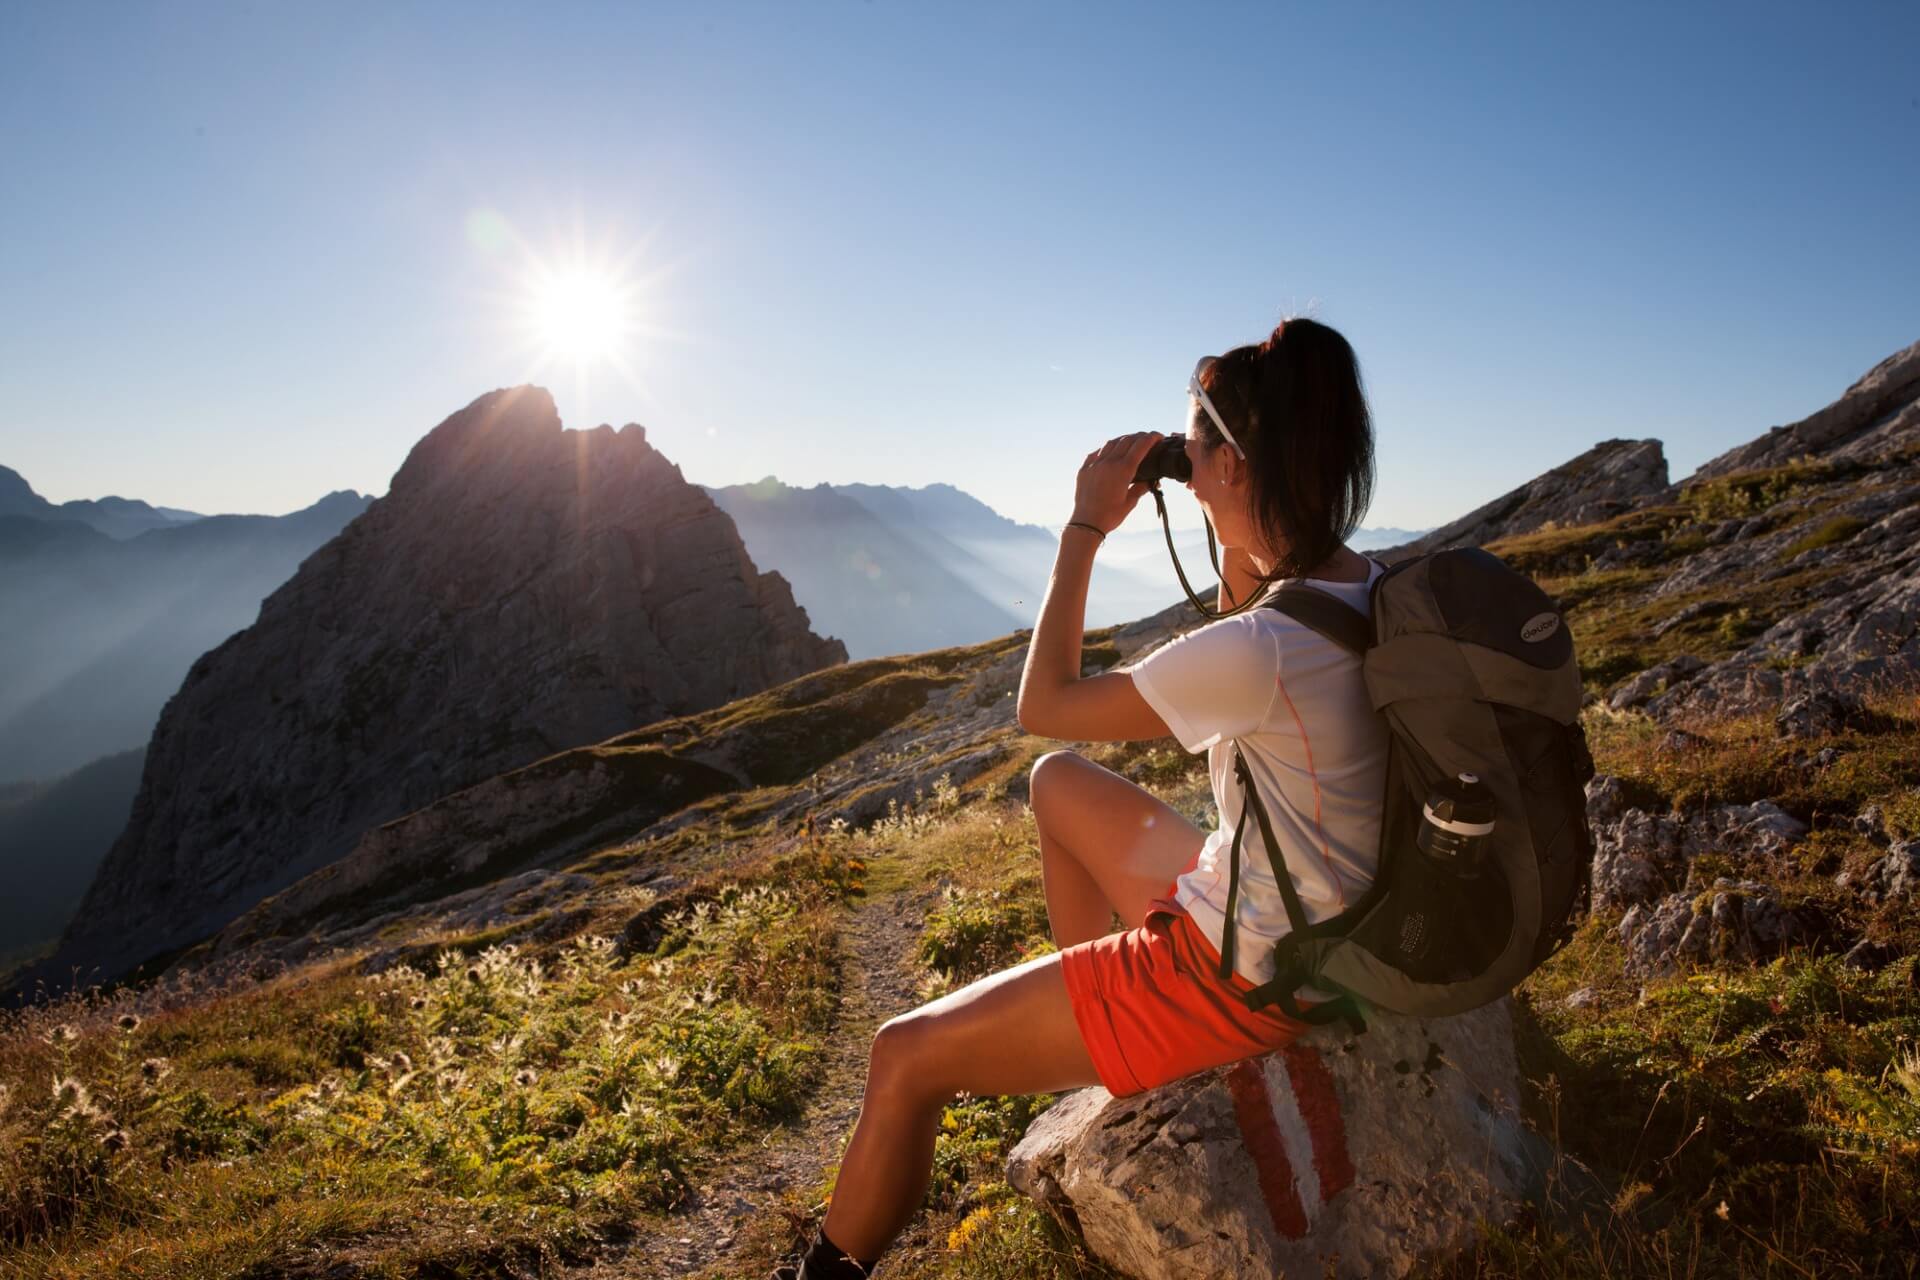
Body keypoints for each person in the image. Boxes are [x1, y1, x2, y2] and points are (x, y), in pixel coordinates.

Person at [773, 317, 1386, 1279]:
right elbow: (1257, 654)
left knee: (902, 1056)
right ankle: (1093, 1027)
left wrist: (1086, 526)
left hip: (1243, 975)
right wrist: (1238, 517)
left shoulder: (1262, 649)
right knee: (1058, 787)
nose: (1190, 461)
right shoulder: (1360, 586)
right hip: (1319, 926)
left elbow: (1043, 703)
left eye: (1200, 446)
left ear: (1234, 465)